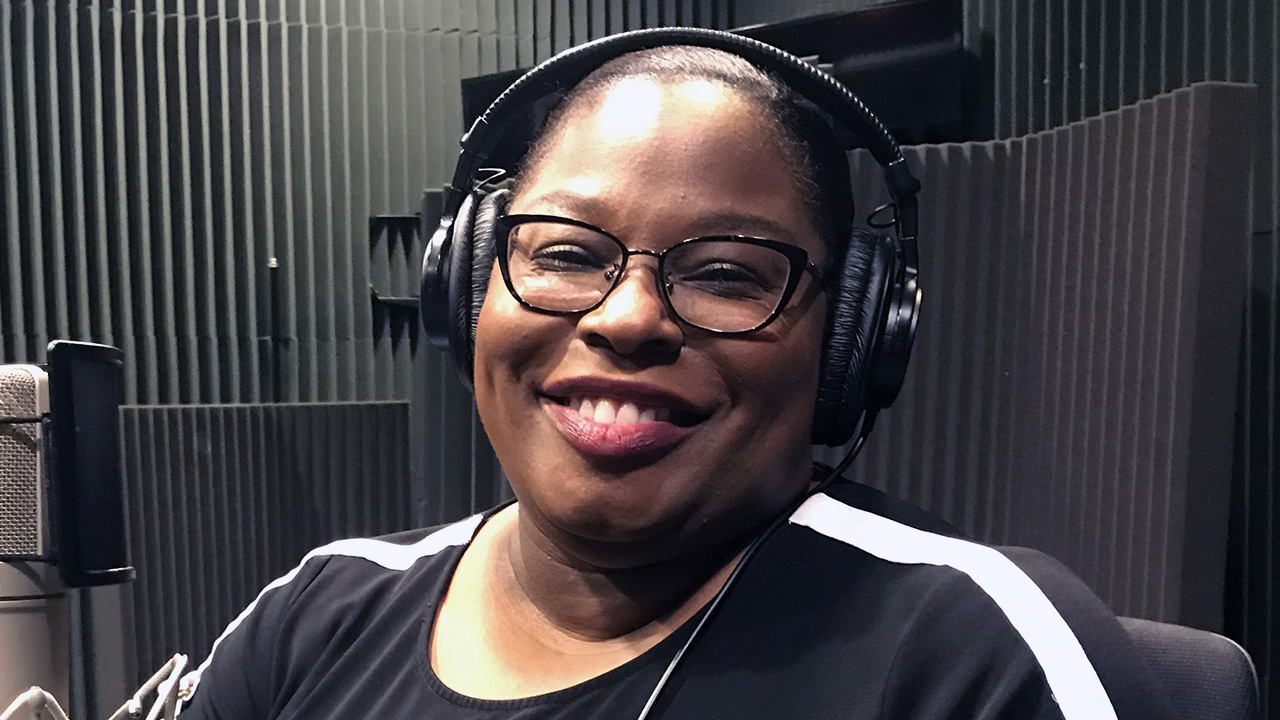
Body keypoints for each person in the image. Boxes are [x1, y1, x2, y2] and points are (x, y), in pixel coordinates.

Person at [175, 31, 1176, 720]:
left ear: (852, 336)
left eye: (727, 274)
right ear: (467, 288)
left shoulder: (972, 656)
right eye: (566, 254)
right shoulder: (314, 618)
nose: (626, 319)